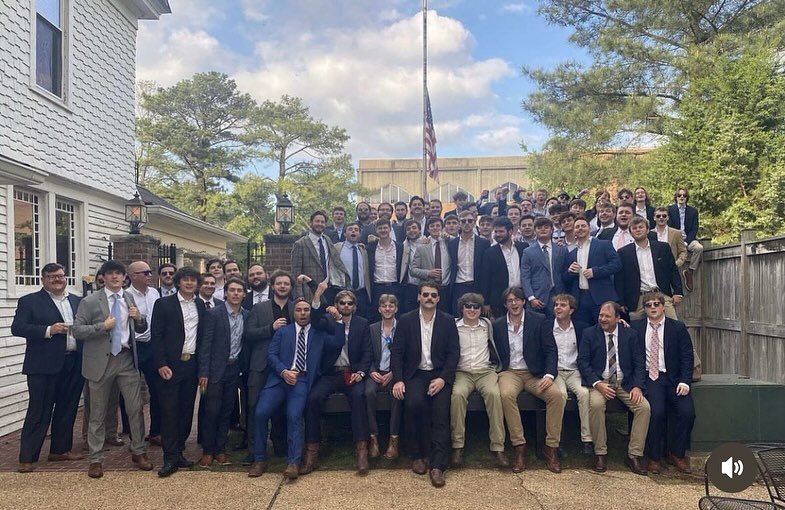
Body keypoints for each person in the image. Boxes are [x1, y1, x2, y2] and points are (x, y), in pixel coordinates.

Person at [248, 281, 342, 479]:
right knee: (260, 413)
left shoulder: (319, 334)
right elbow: (271, 355)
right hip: (278, 380)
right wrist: (283, 371)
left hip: (302, 381)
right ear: (293, 313)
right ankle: (259, 459)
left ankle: (293, 462)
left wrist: (339, 320)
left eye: (306, 310)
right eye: (299, 310)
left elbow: (338, 342)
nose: (302, 313)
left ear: (311, 312)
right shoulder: (283, 332)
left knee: (294, 416)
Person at [73, 260, 152, 479]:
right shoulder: (90, 301)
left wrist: (139, 318)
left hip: (126, 359)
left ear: (125, 278)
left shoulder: (129, 298)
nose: (115, 277)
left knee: (135, 408)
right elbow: (77, 330)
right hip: (101, 362)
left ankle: (139, 451)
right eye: (110, 274)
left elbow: (141, 327)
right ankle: (96, 459)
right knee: (97, 413)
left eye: (119, 273)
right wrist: (102, 327)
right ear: (104, 278)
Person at [13, 263, 84, 473]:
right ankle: (27, 457)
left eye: (60, 276)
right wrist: (48, 330)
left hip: (73, 362)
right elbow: (18, 327)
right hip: (43, 365)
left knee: (67, 407)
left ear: (66, 278)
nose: (57, 280)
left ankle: (60, 450)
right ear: (43, 279)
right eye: (51, 276)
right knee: (39, 410)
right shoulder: (29, 301)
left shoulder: (77, 301)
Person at [391, 282, 459, 488]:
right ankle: (417, 455)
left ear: (438, 299)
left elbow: (454, 353)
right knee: (413, 404)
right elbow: (397, 352)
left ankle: (437, 465)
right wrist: (399, 379)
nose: (429, 298)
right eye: (426, 294)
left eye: (433, 295)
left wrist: (443, 378)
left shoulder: (447, 321)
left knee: (440, 413)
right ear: (418, 297)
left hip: (439, 374)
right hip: (415, 374)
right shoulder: (406, 320)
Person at [494, 287, 565, 473]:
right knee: (506, 395)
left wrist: (549, 375)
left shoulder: (538, 320)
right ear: (505, 304)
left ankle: (551, 447)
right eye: (510, 301)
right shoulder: (497, 325)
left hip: (535, 374)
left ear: (524, 301)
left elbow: (551, 350)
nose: (514, 303)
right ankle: (520, 446)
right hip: (510, 373)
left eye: (517, 299)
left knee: (556, 395)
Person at [302, 290, 372, 475]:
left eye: (349, 303)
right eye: (342, 303)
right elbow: (314, 320)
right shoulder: (327, 321)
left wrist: (361, 373)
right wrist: (317, 298)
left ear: (355, 306)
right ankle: (312, 453)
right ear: (336, 305)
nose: (346, 306)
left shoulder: (362, 324)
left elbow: (367, 353)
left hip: (352, 373)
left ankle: (362, 451)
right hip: (331, 373)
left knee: (359, 397)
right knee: (313, 399)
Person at [577, 301, 650, 475]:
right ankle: (600, 453)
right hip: (600, 382)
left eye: (607, 316)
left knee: (644, 408)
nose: (602, 319)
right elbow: (583, 362)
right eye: (601, 315)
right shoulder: (589, 333)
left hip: (625, 383)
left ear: (617, 318)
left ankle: (634, 455)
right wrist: (597, 383)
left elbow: (639, 363)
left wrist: (638, 386)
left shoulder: (630, 335)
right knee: (595, 405)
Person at [150, 266, 205, 477]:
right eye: (185, 279)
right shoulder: (164, 304)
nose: (189, 283)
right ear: (178, 282)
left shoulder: (200, 305)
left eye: (193, 280)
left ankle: (179, 451)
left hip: (191, 365)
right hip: (170, 366)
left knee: (186, 410)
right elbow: (156, 336)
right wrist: (161, 364)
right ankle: (169, 457)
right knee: (169, 411)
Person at [450, 293, 507, 468]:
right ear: (462, 309)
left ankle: (498, 447)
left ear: (481, 310)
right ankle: (457, 446)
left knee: (494, 395)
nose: (472, 310)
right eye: (468, 306)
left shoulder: (487, 325)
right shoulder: (453, 326)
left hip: (485, 372)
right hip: (462, 372)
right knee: (457, 396)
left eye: (476, 307)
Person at [197, 277, 249, 468]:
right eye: (232, 290)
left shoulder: (247, 315)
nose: (235, 294)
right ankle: (207, 451)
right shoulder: (214, 314)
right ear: (225, 293)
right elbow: (205, 344)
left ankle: (220, 449)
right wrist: (203, 372)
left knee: (227, 411)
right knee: (212, 411)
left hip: (234, 369)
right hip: (215, 370)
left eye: (239, 291)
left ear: (244, 295)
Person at [244, 269, 293, 465]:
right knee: (255, 407)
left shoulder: (295, 308)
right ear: (272, 286)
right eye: (279, 283)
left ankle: (280, 445)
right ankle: (254, 451)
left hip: (286, 366)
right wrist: (270, 328)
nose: (282, 286)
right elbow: (248, 333)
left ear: (291, 287)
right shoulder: (259, 308)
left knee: (282, 407)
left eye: (286, 284)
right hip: (261, 365)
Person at [615, 217, 683, 320]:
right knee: (636, 326)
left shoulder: (662, 248)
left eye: (641, 227)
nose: (638, 230)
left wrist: (678, 292)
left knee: (673, 323)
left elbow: (673, 270)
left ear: (647, 230)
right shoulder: (623, 253)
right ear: (630, 232)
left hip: (661, 293)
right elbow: (620, 278)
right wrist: (621, 302)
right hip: (637, 298)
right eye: (634, 228)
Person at [126, 260, 162, 447]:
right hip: (133, 347)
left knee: (157, 389)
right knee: (131, 393)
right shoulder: (125, 296)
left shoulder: (155, 293)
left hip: (152, 346)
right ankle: (133, 435)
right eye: (145, 273)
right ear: (133, 276)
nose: (150, 275)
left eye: (150, 272)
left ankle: (156, 431)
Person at [551, 294, 593, 454]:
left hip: (574, 371)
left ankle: (587, 440)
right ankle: (557, 440)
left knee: (584, 394)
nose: (558, 308)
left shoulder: (581, 328)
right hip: (556, 372)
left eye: (562, 305)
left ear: (571, 310)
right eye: (556, 305)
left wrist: (621, 322)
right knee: (560, 395)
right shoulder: (548, 326)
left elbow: (600, 330)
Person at [564, 216, 622, 325]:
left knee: (604, 328)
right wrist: (570, 272)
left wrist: (595, 272)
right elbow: (565, 278)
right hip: (580, 299)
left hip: (601, 297)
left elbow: (617, 264)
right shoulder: (571, 253)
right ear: (574, 231)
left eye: (583, 226)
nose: (580, 228)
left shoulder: (603, 244)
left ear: (589, 228)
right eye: (577, 227)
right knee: (583, 330)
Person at [365, 294, 402, 460]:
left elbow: (406, 355)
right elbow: (366, 352)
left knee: (397, 395)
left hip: (394, 373)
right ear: (379, 309)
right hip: (375, 372)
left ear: (396, 309)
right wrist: (371, 370)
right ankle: (373, 437)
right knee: (369, 393)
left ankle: (394, 439)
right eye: (384, 306)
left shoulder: (402, 328)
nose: (387, 309)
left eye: (391, 306)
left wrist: (394, 373)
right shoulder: (372, 329)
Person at [291, 210, 349, 304]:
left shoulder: (327, 240)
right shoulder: (300, 244)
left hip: (329, 289)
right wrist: (299, 295)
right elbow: (296, 272)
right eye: (317, 221)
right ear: (311, 223)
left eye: (322, 222)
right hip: (310, 291)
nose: (320, 224)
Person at [520, 217, 568, 320]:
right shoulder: (528, 252)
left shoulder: (561, 250)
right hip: (537, 297)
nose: (543, 229)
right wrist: (531, 297)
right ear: (535, 231)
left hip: (557, 295)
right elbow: (525, 277)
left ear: (552, 230)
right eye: (539, 227)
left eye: (546, 227)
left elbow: (565, 273)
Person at [480, 217, 528, 318]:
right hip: (499, 299)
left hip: (522, 295)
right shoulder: (489, 253)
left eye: (501, 231)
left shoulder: (523, 247)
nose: (498, 234)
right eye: (496, 232)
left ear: (510, 232)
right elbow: (485, 279)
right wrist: (486, 302)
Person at [448, 211, 490, 316]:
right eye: (463, 221)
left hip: (476, 286)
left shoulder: (483, 243)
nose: (467, 223)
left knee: (475, 317)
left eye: (470, 221)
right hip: (458, 286)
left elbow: (486, 270)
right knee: (457, 317)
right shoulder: (452, 243)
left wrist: (486, 297)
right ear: (459, 223)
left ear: (474, 222)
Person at [411, 217, 452, 313]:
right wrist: (428, 273)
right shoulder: (421, 247)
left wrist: (448, 236)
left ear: (442, 228)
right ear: (428, 229)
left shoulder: (449, 243)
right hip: (428, 289)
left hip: (446, 288)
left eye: (438, 225)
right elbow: (413, 270)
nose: (435, 228)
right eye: (432, 226)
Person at [366, 218, 404, 322]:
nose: (383, 230)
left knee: (396, 316)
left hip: (395, 286)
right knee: (376, 316)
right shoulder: (370, 248)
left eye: (385, 228)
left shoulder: (400, 247)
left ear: (390, 229)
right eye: (380, 228)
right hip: (377, 287)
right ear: (376, 230)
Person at [667, 188, 703, 292]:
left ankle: (690, 272)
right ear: (676, 197)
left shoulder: (693, 211)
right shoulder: (670, 210)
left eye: (684, 195)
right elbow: (669, 227)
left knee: (699, 248)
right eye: (679, 195)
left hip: (688, 239)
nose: (682, 197)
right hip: (675, 239)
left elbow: (694, 229)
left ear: (687, 197)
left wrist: (687, 241)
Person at [335, 222, 371, 319]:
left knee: (361, 321)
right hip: (343, 292)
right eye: (350, 229)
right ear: (344, 233)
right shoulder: (337, 248)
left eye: (356, 230)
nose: (353, 231)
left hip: (361, 294)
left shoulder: (363, 250)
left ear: (359, 234)